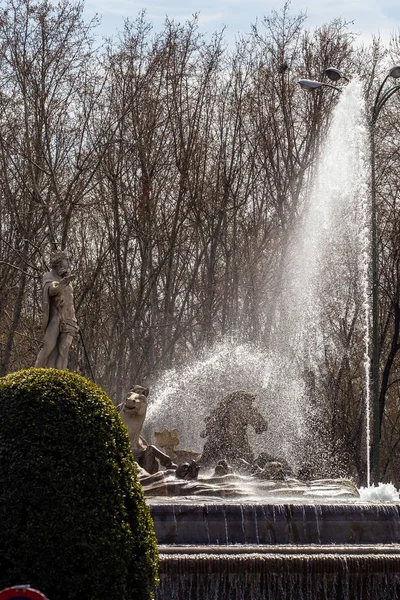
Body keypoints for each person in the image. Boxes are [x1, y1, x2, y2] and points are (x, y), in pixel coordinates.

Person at [35, 251, 79, 370]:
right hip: (56, 318)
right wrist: (64, 283)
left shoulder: (68, 282)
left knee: (64, 349)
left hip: (69, 319)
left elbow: (70, 303)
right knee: (48, 346)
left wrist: (74, 321)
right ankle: (34, 373)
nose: (68, 266)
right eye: (66, 263)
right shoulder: (49, 276)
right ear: (58, 263)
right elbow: (51, 291)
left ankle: (60, 376)